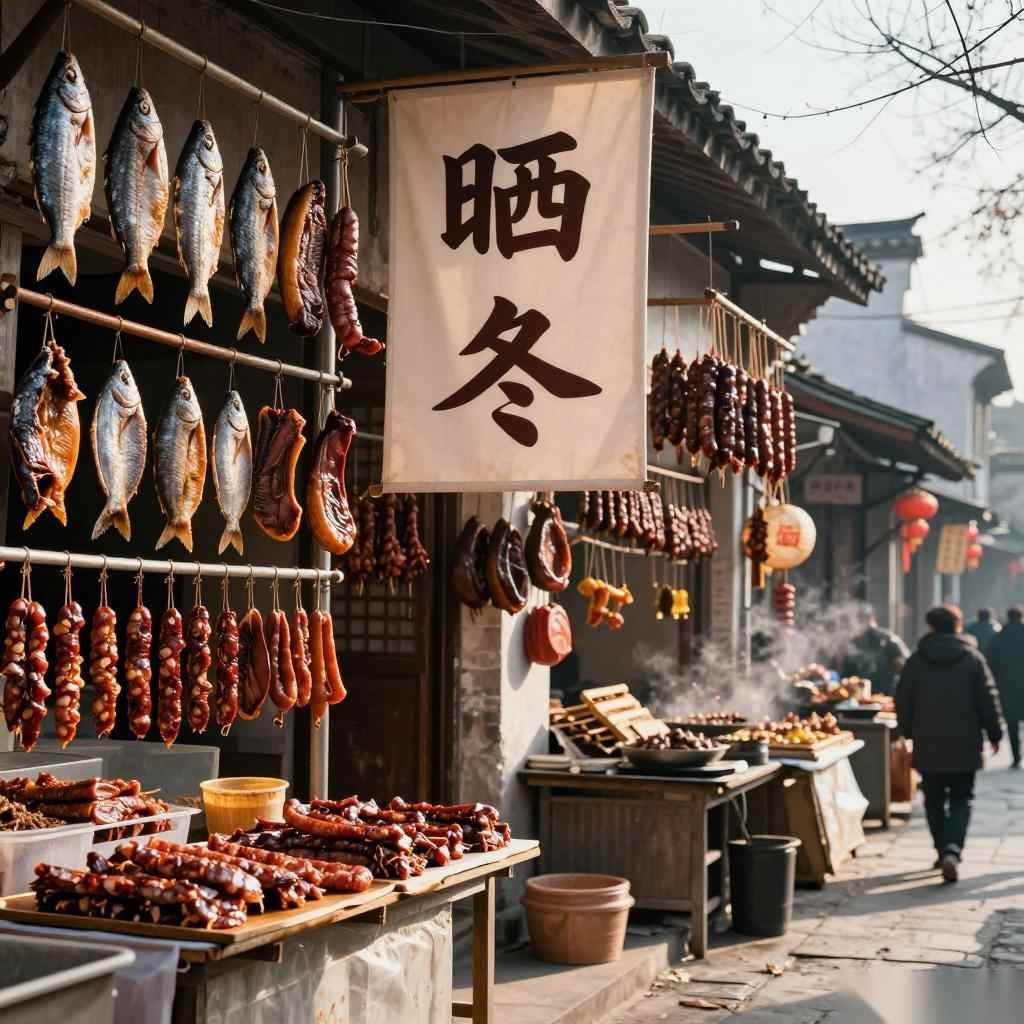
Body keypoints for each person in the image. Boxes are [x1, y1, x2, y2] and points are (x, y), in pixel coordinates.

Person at [896, 604, 1002, 883]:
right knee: (961, 797)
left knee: (933, 799)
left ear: (931, 627)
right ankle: (952, 850)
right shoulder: (972, 658)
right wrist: (994, 733)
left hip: (928, 741)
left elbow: (903, 699)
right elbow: (987, 697)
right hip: (965, 741)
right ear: (958, 626)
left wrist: (906, 733)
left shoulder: (917, 660)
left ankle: (942, 849)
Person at [983, 606, 1024, 769]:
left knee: (1012, 724)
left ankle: (1016, 757)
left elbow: (990, 665)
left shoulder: (999, 638)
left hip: (1007, 687)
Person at [840, 607, 910, 696]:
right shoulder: (853, 642)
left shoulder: (888, 639)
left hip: (885, 694)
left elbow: (905, 666)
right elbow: (846, 674)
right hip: (859, 696)